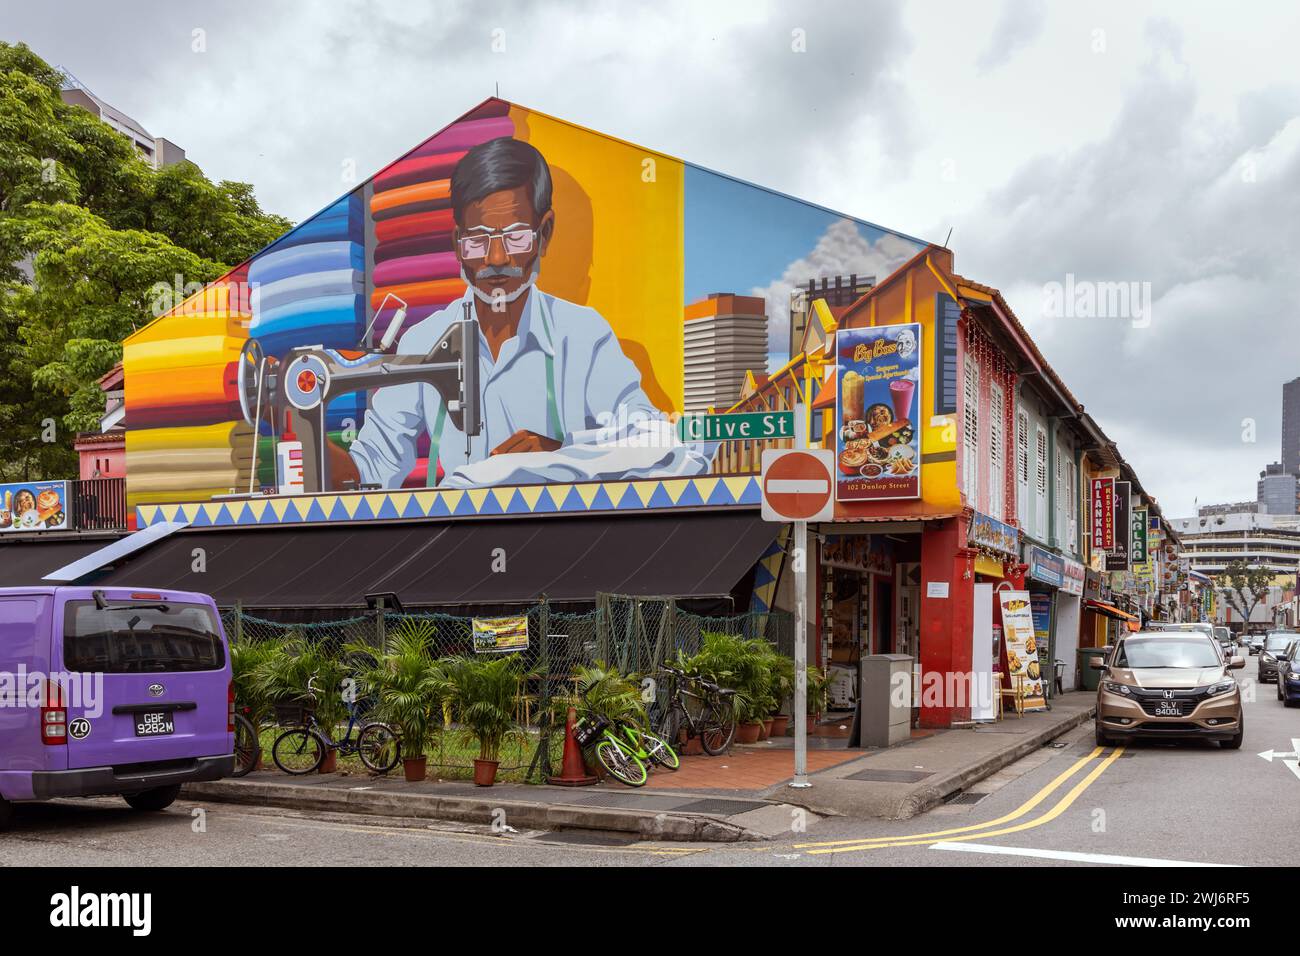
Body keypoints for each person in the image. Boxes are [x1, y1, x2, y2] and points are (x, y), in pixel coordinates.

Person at [335, 137, 709, 489]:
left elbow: (654, 441)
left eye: (515, 237)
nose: (497, 259)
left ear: (544, 234)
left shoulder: (582, 335)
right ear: (457, 244)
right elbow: (369, 471)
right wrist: (299, 424)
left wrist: (562, 454)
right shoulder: (423, 341)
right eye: (478, 240)